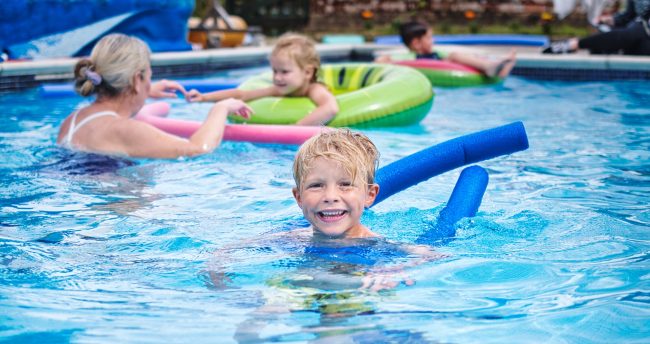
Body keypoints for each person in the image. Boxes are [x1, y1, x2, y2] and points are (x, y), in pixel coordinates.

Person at [57, 33, 252, 159]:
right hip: (116, 206)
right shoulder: (128, 130)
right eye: (150, 75)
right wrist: (220, 108)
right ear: (136, 80)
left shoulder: (71, 120)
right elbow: (198, 149)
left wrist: (144, 91)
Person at [186, 33, 339, 126]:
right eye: (275, 71)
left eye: (284, 72)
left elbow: (330, 108)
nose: (277, 77)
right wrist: (204, 97)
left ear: (307, 72)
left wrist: (295, 128)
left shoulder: (315, 89)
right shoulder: (280, 89)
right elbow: (242, 95)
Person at [377, 20, 517, 78]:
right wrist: (387, 61)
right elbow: (381, 61)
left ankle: (495, 67)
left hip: (450, 71)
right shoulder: (407, 58)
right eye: (429, 38)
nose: (433, 41)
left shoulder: (437, 54)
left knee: (455, 55)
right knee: (454, 55)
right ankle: (494, 68)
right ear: (417, 43)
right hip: (431, 76)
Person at [543, 0, 650, 55]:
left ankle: (574, 44)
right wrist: (608, 20)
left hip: (641, 33)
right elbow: (627, 16)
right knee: (606, 31)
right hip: (636, 33)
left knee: (634, 32)